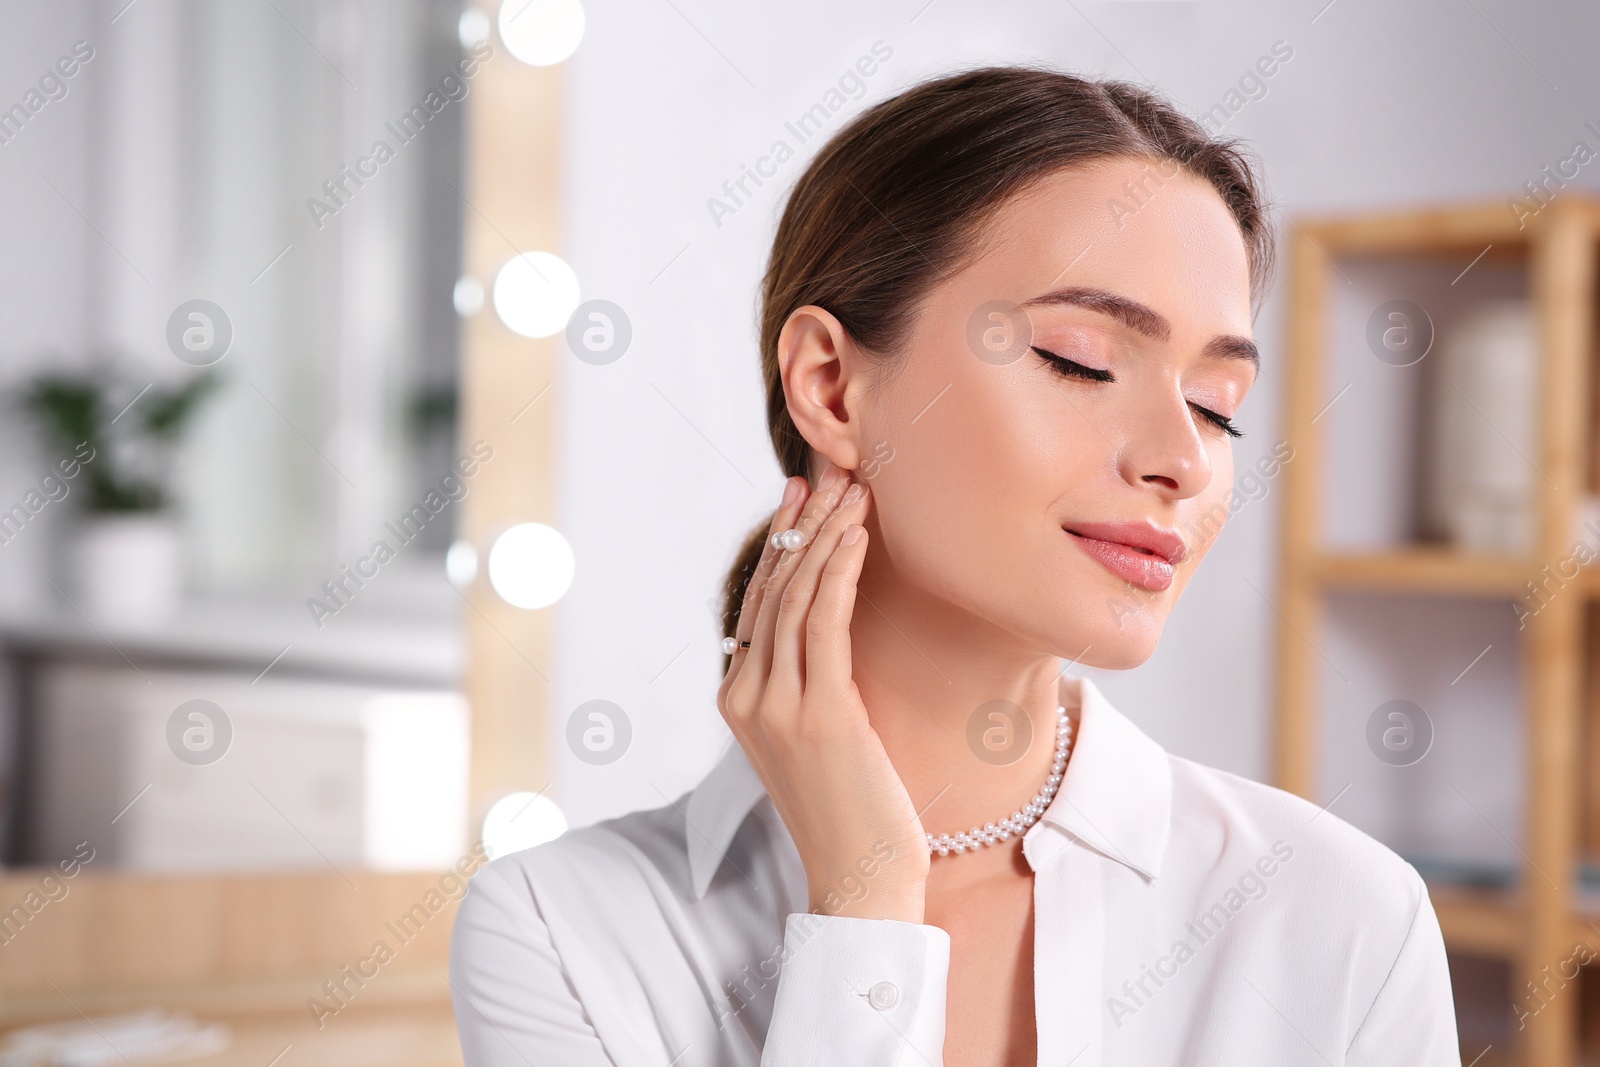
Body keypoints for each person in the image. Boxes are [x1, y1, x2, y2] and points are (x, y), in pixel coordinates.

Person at [449, 64, 1461, 1066]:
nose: (1183, 458)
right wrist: (864, 899)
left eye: (1216, 403)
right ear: (832, 387)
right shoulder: (565, 934)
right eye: (1080, 358)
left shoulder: (1342, 920)